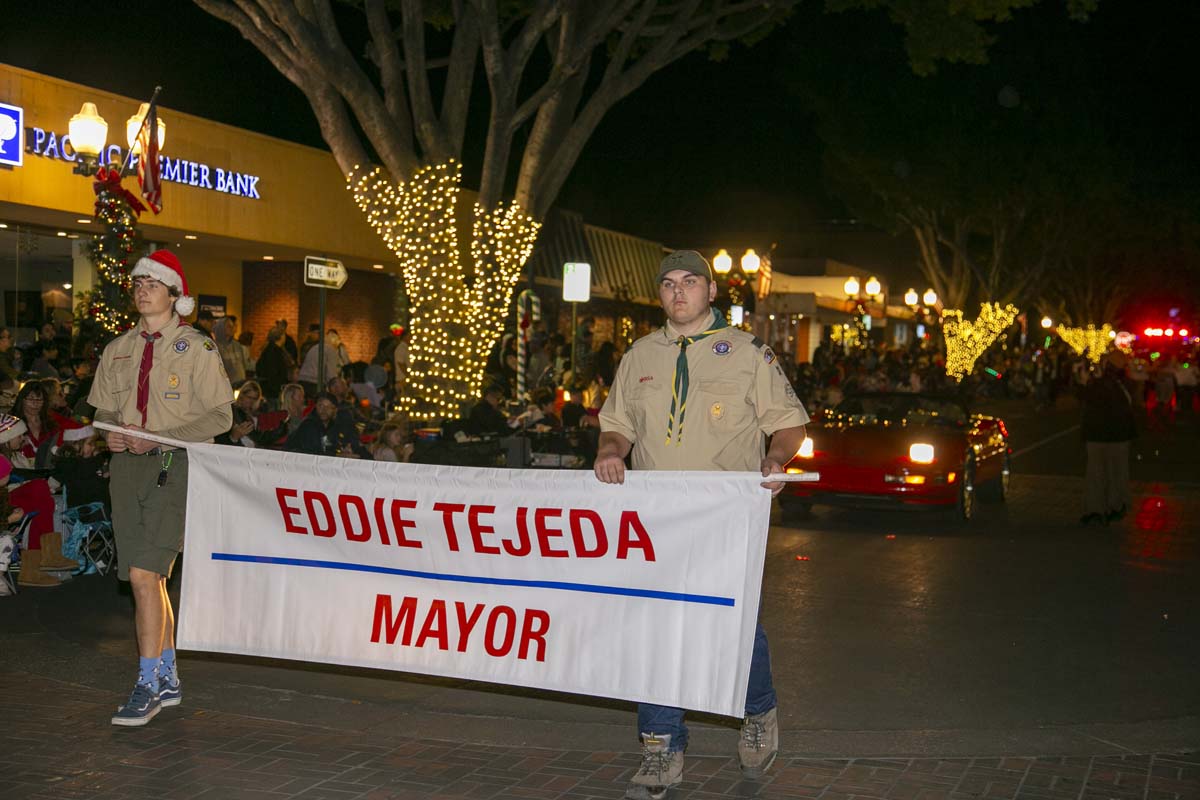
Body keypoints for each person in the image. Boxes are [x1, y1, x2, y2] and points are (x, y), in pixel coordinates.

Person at [594, 250, 808, 799]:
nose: (679, 292)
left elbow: (789, 423)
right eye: (668, 284)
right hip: (656, 517)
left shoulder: (747, 353)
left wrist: (776, 458)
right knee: (656, 626)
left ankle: (757, 710)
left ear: (711, 291)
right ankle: (661, 744)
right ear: (660, 295)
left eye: (690, 282)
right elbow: (617, 425)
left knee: (731, 625)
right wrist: (611, 450)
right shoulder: (639, 355)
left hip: (726, 514)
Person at [88, 249, 233, 727]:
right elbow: (104, 409)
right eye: (138, 283)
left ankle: (147, 684)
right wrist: (109, 432)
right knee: (145, 578)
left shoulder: (196, 347)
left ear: (175, 295)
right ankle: (167, 676)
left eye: (152, 283)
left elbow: (220, 416)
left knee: (144, 575)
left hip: (174, 465)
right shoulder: (118, 348)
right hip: (125, 468)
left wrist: (163, 437)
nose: (142, 290)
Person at [1080, 351, 1137, 525]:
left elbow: (1090, 399)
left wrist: (1087, 383)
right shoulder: (1124, 383)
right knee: (1115, 472)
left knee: (1097, 473)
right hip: (1117, 436)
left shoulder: (1110, 384)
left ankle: (1098, 509)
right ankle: (1114, 506)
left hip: (1099, 435)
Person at [286, 391, 368, 458]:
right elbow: (314, 453)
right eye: (320, 405)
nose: (324, 410)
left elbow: (330, 446)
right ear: (316, 406)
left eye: (328, 406)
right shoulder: (309, 424)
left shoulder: (332, 426)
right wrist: (339, 455)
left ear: (335, 410)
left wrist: (343, 450)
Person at [297, 329, 347, 399]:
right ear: (335, 343)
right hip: (315, 384)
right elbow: (331, 375)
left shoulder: (316, 347)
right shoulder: (331, 350)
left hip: (302, 381)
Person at [255, 326, 292, 400]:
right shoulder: (274, 351)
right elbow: (273, 371)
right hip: (273, 389)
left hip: (269, 387)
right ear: (281, 337)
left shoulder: (269, 349)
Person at [213, 316, 251, 386]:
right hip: (225, 386)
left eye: (232, 326)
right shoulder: (215, 347)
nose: (232, 328)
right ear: (221, 329)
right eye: (228, 326)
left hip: (240, 384)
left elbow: (244, 364)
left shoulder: (237, 345)